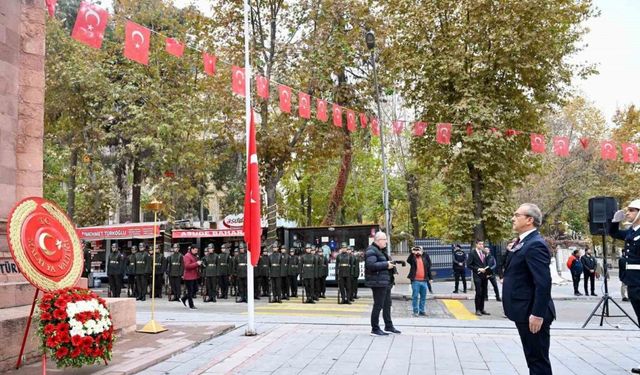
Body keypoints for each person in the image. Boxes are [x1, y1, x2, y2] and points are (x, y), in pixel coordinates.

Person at [503, 203, 555, 375]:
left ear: (529, 220)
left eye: (517, 215)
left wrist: (538, 314)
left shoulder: (535, 244)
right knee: (532, 358)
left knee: (537, 361)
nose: (513, 218)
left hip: (532, 313)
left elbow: (543, 282)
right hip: (523, 311)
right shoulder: (523, 242)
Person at [610, 199, 640, 375]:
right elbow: (613, 233)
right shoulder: (632, 232)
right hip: (633, 283)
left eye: (631, 210)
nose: (627, 213)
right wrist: (615, 221)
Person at [365, 232, 401, 336]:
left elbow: (381, 262)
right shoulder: (371, 250)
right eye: (384, 239)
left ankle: (388, 326)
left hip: (385, 281)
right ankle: (375, 329)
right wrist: (386, 264)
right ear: (378, 240)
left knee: (387, 304)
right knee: (378, 305)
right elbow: (370, 265)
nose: (386, 241)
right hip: (377, 282)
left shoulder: (380, 250)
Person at [467, 241, 490, 316]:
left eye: (482, 244)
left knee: (484, 292)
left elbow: (486, 264)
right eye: (480, 244)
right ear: (476, 244)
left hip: (485, 275)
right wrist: (478, 269)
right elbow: (469, 265)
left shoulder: (484, 252)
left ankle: (482, 309)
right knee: (479, 292)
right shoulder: (472, 253)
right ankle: (477, 310)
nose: (481, 245)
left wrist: (488, 273)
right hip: (477, 275)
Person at [406, 246, 430, 317]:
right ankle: (415, 311)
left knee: (423, 297)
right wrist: (412, 252)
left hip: (424, 281)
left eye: (418, 250)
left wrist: (430, 278)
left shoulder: (424, 257)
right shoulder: (413, 258)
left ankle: (422, 311)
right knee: (415, 296)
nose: (417, 251)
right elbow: (408, 260)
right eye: (416, 250)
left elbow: (428, 267)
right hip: (415, 281)